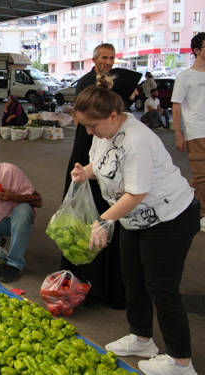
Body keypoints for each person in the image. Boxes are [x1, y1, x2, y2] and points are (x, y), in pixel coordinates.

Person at [71, 86, 200, 375]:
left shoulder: (137, 140)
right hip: (134, 219)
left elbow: (136, 193)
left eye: (93, 125)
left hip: (169, 218)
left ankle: (181, 361)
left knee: (161, 287)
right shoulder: (104, 134)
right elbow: (104, 163)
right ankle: (141, 338)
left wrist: (103, 220)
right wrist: (86, 172)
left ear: (114, 116)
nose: (89, 132)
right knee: (133, 278)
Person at [61, 43, 126, 310]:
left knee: (108, 209)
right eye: (104, 57)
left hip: (111, 147)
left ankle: (107, 286)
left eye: (111, 57)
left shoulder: (119, 82)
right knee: (83, 214)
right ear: (94, 59)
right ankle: (81, 279)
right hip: (84, 150)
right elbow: (80, 119)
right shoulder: (85, 83)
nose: (108, 61)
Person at [172, 32, 205, 232]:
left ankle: (187, 203)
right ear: (197, 51)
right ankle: (196, 211)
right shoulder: (185, 76)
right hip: (197, 131)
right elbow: (176, 107)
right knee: (202, 175)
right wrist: (178, 134)